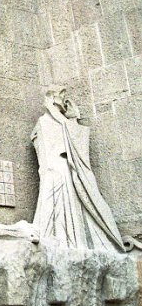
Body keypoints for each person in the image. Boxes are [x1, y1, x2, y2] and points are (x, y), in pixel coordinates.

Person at [31, 86, 124, 252]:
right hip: (55, 171)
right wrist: (69, 121)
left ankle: (74, 243)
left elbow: (76, 141)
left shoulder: (64, 123)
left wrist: (73, 120)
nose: (65, 101)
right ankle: (53, 241)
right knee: (55, 207)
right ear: (52, 98)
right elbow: (45, 154)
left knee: (75, 208)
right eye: (62, 96)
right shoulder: (44, 122)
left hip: (68, 171)